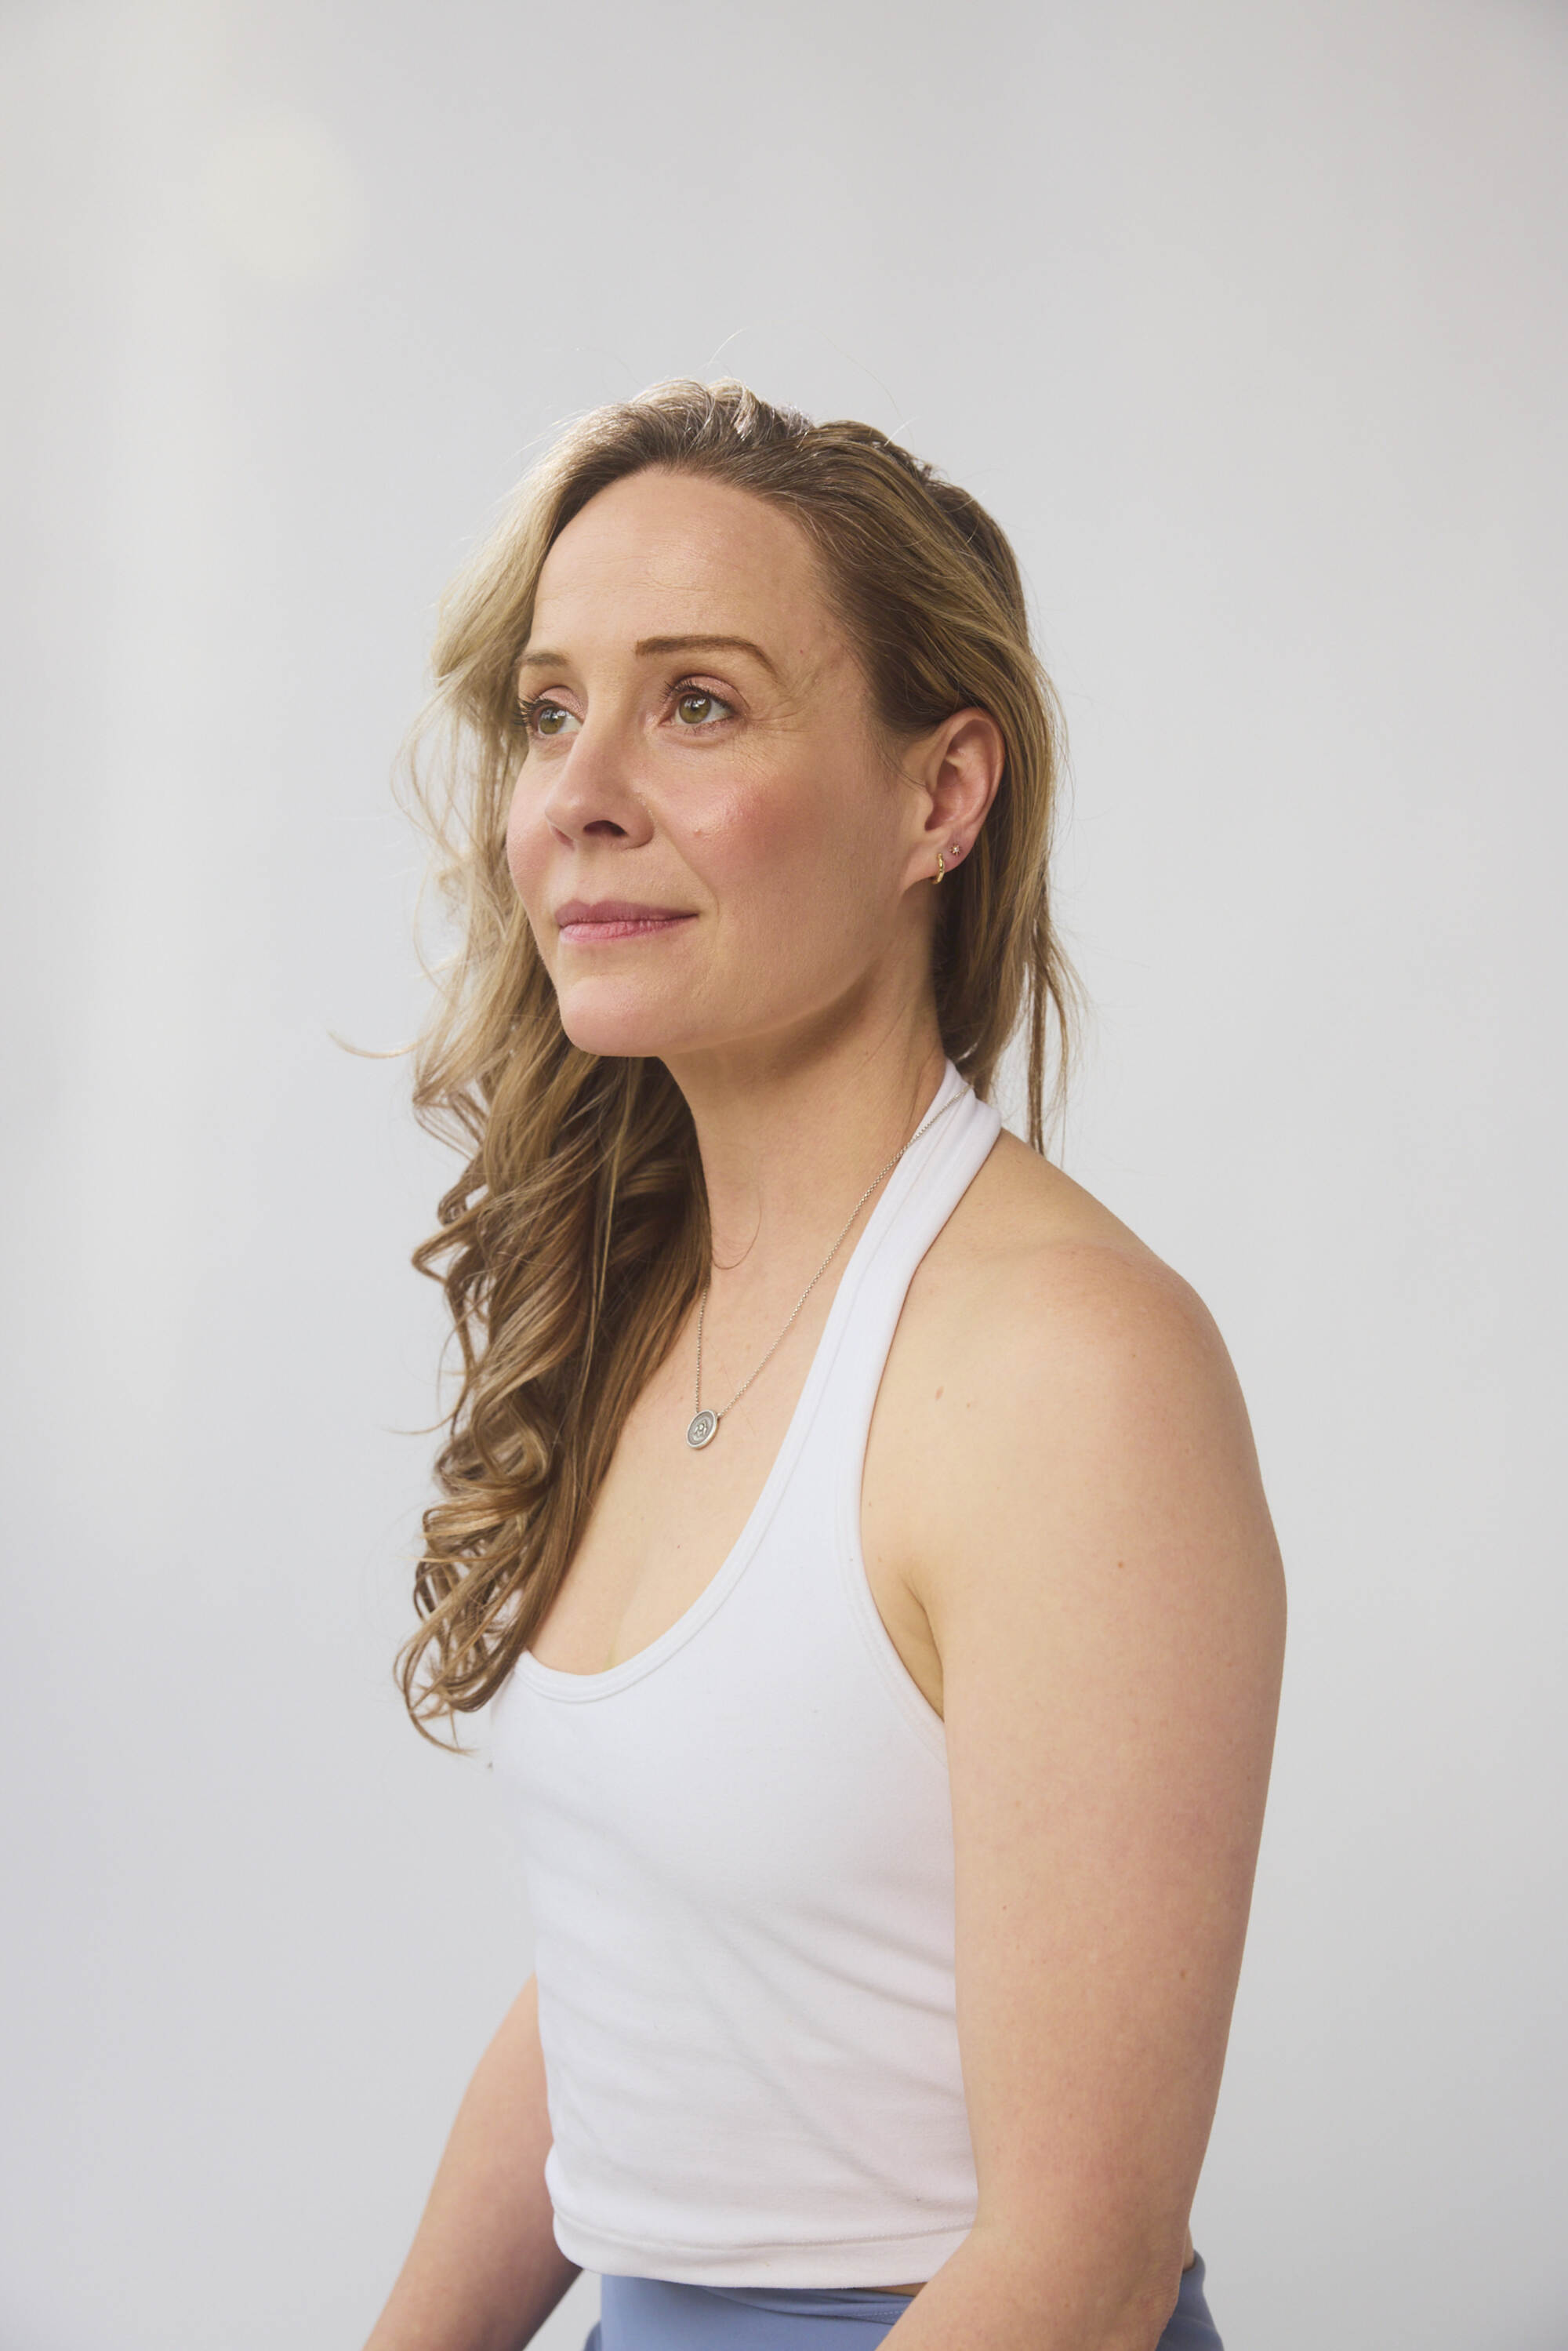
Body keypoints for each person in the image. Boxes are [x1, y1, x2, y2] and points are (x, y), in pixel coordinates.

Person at [363, 380, 1286, 2351]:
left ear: (938, 797)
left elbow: (1080, 2262)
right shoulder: (645, 1304)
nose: (580, 789)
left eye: (697, 703)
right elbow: (646, 1972)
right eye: (550, 709)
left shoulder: (1068, 1369)